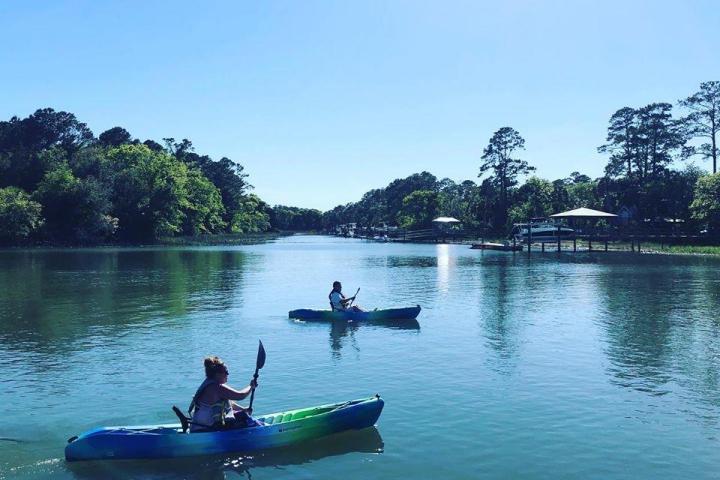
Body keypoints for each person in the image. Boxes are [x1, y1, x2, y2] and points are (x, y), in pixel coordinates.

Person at [188, 356, 260, 432]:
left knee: (241, 414)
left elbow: (228, 403)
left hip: (201, 426)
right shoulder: (216, 388)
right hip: (204, 430)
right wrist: (251, 386)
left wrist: (243, 409)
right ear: (217, 374)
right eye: (225, 372)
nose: (228, 374)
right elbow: (241, 395)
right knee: (244, 418)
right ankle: (260, 430)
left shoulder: (209, 383)